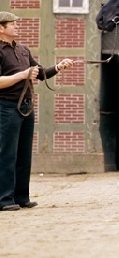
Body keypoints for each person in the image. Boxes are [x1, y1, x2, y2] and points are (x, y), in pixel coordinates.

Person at [0, 11, 74, 211]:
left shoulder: (23, 49)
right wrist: (22, 75)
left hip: (26, 107)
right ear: (1, 28)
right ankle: (4, 200)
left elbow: (40, 73)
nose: (17, 26)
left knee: (24, 154)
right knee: (6, 154)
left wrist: (59, 67)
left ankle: (21, 197)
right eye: (13, 24)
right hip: (6, 107)